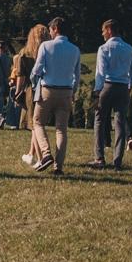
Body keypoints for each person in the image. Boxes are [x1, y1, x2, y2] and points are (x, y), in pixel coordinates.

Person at [24, 16, 81, 174]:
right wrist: (73, 92)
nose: (49, 33)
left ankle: (46, 153)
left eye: (50, 30)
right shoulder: (75, 49)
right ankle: (59, 166)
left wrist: (34, 79)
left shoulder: (46, 46)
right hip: (66, 91)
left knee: (38, 122)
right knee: (61, 130)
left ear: (55, 29)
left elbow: (37, 69)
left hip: (47, 90)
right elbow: (77, 75)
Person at [90, 20, 132, 168]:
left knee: (99, 120)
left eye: (103, 30)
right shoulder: (129, 48)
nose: (102, 33)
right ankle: (118, 160)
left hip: (107, 86)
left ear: (109, 30)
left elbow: (101, 72)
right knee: (120, 123)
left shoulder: (104, 48)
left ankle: (99, 158)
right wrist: (129, 87)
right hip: (123, 86)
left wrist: (97, 91)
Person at [13, 23, 49, 162]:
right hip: (45, 88)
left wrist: (17, 93)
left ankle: (39, 158)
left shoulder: (24, 53)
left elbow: (20, 77)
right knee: (38, 124)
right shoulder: (47, 52)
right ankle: (31, 154)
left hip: (30, 90)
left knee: (35, 125)